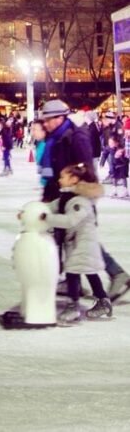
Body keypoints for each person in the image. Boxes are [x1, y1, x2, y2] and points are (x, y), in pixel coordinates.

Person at [40, 99, 130, 302]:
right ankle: (74, 281)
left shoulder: (74, 136)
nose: (45, 123)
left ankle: (117, 274)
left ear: (60, 118)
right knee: (72, 239)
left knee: (82, 240)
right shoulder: (58, 135)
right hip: (63, 192)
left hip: (77, 195)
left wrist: (78, 193)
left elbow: (86, 169)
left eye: (48, 119)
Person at [47, 163, 112, 323]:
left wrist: (46, 219)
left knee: (73, 272)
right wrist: (34, 211)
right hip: (76, 243)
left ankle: (73, 306)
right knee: (89, 272)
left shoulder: (80, 201)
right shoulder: (66, 197)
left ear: (74, 179)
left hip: (83, 243)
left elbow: (70, 220)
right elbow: (52, 206)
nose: (59, 180)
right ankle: (103, 301)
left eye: (63, 177)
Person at [107, 133, 128, 198]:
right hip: (114, 166)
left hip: (122, 166)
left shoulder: (121, 149)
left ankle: (125, 190)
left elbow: (126, 159)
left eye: (112, 143)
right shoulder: (109, 148)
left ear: (116, 143)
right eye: (109, 143)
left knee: (123, 177)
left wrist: (120, 156)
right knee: (114, 178)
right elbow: (105, 153)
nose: (110, 144)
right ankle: (114, 190)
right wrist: (102, 162)